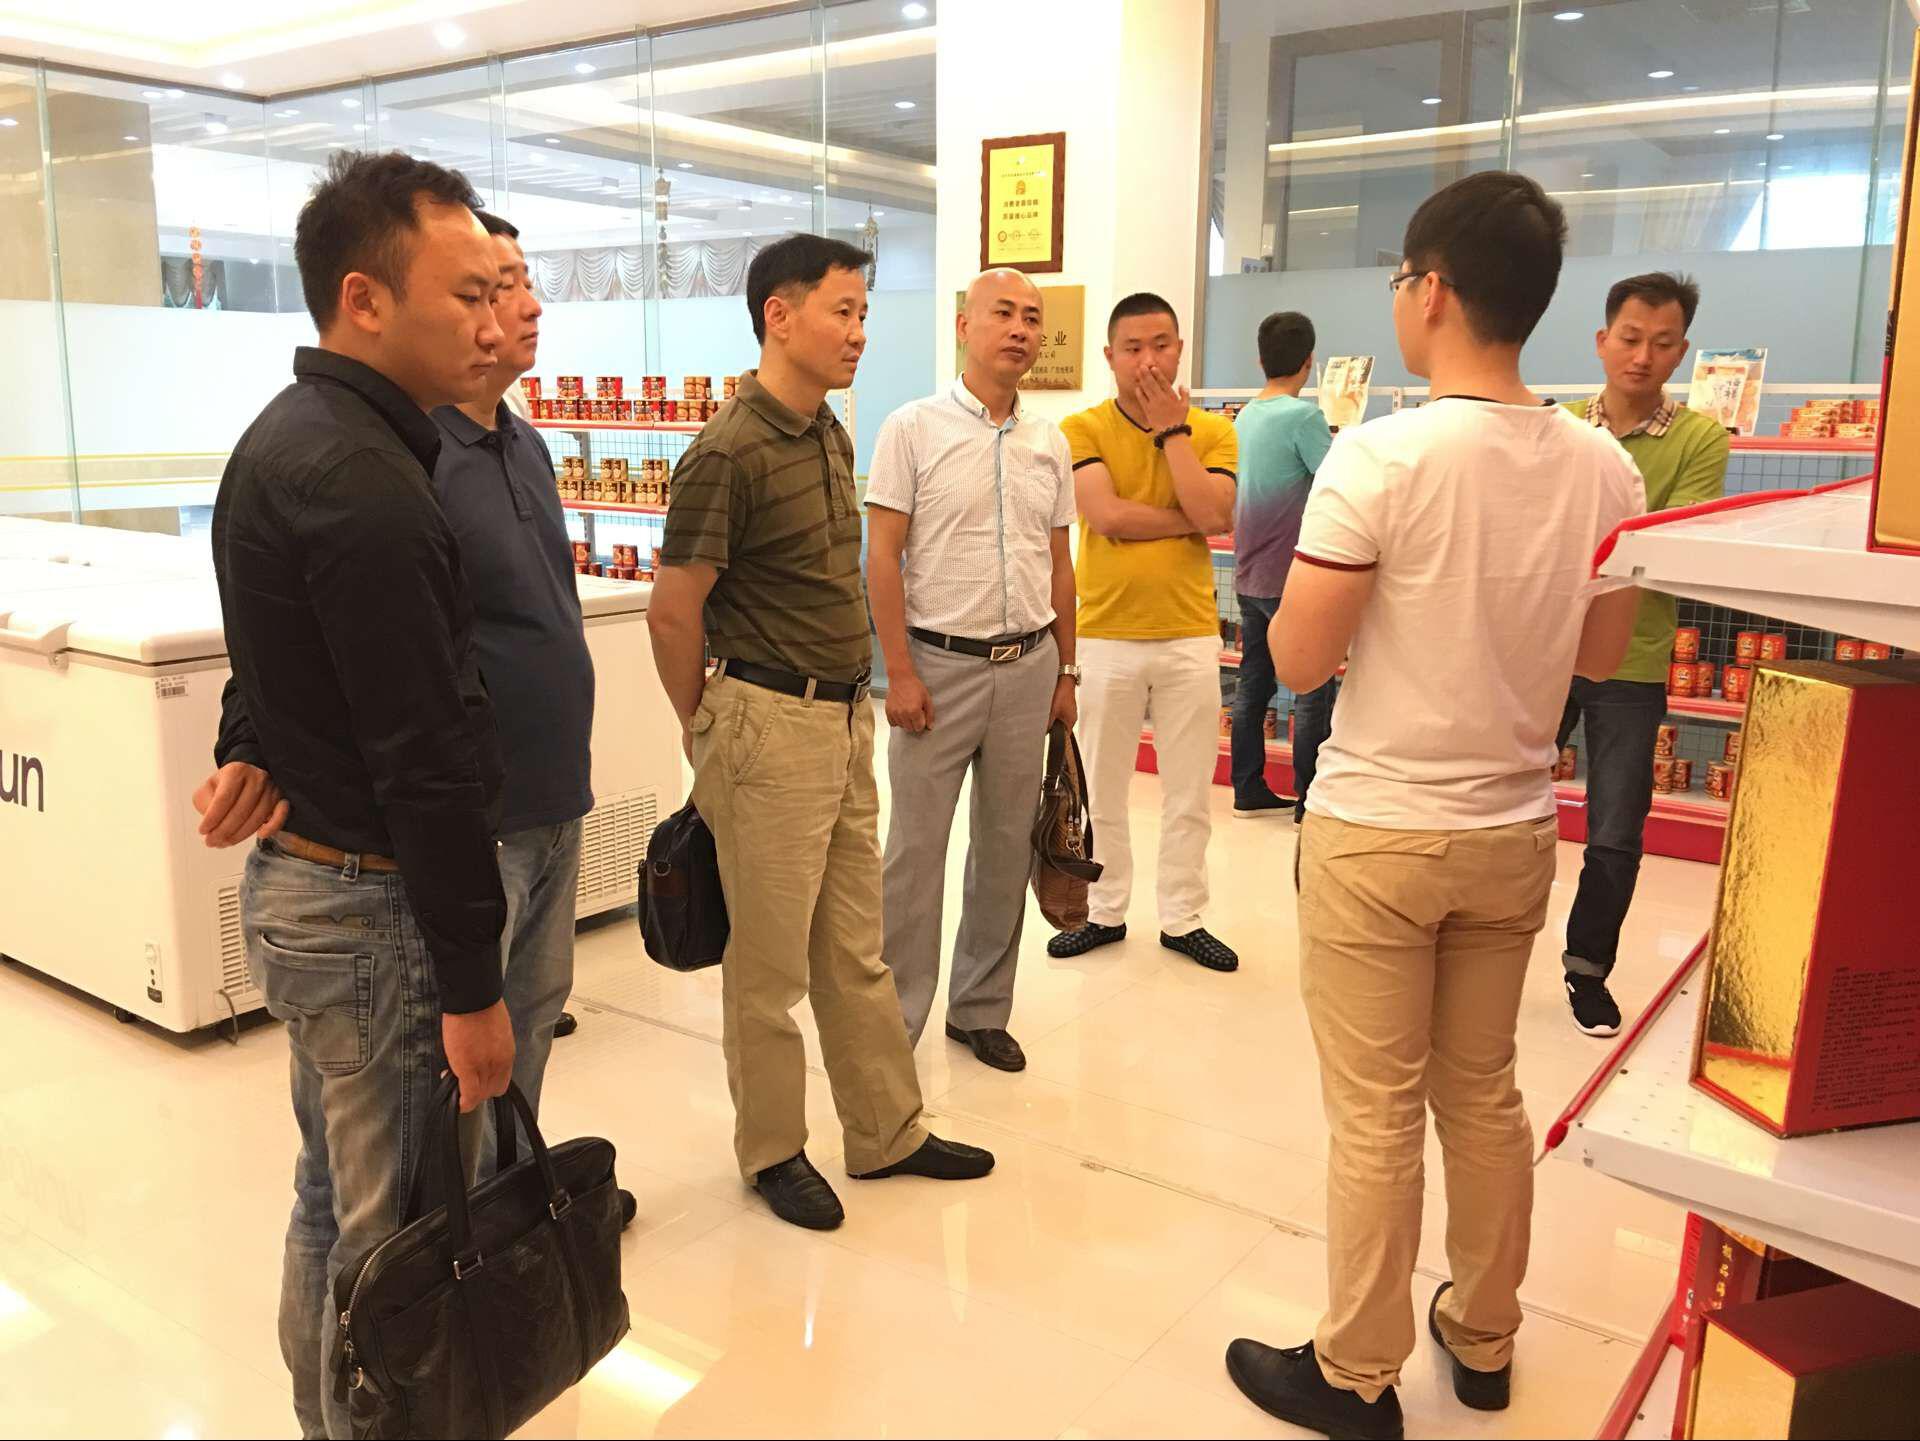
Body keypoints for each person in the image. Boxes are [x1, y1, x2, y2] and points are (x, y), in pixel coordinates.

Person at [1223, 172, 1645, 1441]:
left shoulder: (1383, 453)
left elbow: (1300, 660)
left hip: (1381, 830)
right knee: (1483, 1091)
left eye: (1404, 278)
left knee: (1375, 1112)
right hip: (1511, 828)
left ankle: (1357, 1371)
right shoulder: (1607, 468)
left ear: (1436, 291)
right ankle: (1485, 1333)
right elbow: (1600, 657)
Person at [196, 150, 516, 1441]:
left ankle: (322, 1420)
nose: (493, 322)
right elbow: (424, 756)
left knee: (333, 1203)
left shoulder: (295, 438)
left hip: (315, 891)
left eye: (498, 293)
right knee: (394, 1248)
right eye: (466, 295)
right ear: (365, 300)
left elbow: (275, 648)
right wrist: (476, 987)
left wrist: (252, 736)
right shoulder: (366, 483)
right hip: (374, 910)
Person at [648, 232, 994, 1233]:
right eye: (842, 311)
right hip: (767, 724)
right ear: (779, 315)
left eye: (862, 313)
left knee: (854, 947)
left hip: (842, 718)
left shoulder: (827, 431)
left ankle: (887, 1130)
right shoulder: (728, 451)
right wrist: (707, 727)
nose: (859, 332)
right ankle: (772, 1149)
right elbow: (673, 612)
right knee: (768, 968)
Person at [866, 268, 1079, 1073]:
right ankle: (893, 1021)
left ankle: (980, 1009)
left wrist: (1066, 671)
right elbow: (881, 558)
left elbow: (1060, 567)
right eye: (1004, 314)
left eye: (1033, 318)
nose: (1020, 329)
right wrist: (898, 671)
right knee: (914, 856)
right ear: (965, 325)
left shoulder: (1048, 441)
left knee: (1004, 848)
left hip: (1030, 666)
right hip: (937, 666)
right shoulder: (911, 428)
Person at [1046, 293, 1240, 974]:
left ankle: (1184, 917)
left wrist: (1171, 433)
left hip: (1188, 632)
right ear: (1110, 356)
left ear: (1180, 349)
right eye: (1133, 348)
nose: (1148, 361)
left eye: (1161, 345)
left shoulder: (1212, 431)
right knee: (1102, 786)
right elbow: (1107, 517)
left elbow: (1217, 513)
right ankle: (1104, 911)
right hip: (1105, 633)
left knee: (1190, 789)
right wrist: (1189, 517)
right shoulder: (1082, 427)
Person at [1556, 273, 1728, 1038]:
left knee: (1616, 831)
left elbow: (1670, 546)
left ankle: (1587, 969)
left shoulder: (1701, 439)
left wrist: (1588, 539)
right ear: (1602, 341)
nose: (1642, 356)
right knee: (1497, 802)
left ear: (1681, 352)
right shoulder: (1559, 426)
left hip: (1635, 658)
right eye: (1629, 338)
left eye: (1661, 343)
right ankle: (1478, 946)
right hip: (1544, 650)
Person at [1229, 311, 1335, 823]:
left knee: (1254, 681)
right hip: (1290, 577)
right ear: (1309, 362)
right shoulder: (1304, 419)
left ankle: (1247, 787)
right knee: (1313, 686)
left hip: (1248, 572)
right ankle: (1308, 801)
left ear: (1260, 360)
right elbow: (1337, 480)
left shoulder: (1244, 417)